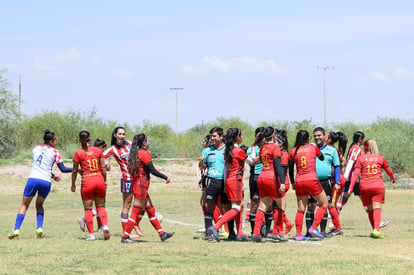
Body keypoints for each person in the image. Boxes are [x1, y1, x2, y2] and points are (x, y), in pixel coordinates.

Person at [8, 129, 73, 239]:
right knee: (39, 205)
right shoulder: (55, 152)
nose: (56, 142)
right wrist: (76, 169)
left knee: (24, 205)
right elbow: (63, 169)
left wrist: (52, 175)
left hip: (33, 179)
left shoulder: (35, 149)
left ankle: (16, 229)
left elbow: (39, 165)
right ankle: (39, 228)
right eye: (55, 140)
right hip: (46, 182)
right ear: (51, 141)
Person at [121, 134, 175, 243]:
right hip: (141, 186)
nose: (149, 143)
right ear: (144, 143)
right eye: (148, 141)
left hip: (138, 184)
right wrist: (165, 177)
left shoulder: (134, 153)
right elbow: (153, 171)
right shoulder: (144, 154)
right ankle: (125, 236)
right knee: (135, 212)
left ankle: (162, 234)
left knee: (150, 210)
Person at [207, 128, 255, 242]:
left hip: (228, 180)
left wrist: (225, 183)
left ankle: (239, 233)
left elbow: (225, 168)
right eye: (241, 135)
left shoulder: (228, 150)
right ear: (237, 137)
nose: (242, 137)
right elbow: (252, 162)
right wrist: (254, 150)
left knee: (238, 206)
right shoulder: (238, 150)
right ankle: (215, 227)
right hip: (235, 181)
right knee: (236, 208)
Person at [347, 139, 395, 238]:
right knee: (377, 207)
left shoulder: (361, 159)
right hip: (378, 186)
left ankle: (374, 229)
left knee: (370, 209)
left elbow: (355, 173)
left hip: (364, 186)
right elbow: (389, 171)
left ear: (364, 148)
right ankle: (376, 230)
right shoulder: (380, 158)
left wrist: (351, 187)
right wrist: (392, 178)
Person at [288, 130, 327, 241]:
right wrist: (315, 147)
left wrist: (293, 182)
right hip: (311, 179)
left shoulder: (293, 151)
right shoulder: (312, 148)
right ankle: (314, 228)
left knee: (301, 209)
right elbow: (322, 157)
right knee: (324, 203)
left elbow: (290, 168)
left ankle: (299, 235)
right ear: (308, 139)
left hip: (299, 180)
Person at [71, 130, 110, 241]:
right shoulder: (97, 150)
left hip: (87, 181)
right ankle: (105, 226)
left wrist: (73, 184)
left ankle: (91, 235)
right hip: (99, 179)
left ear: (79, 140)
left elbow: (74, 171)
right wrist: (104, 180)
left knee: (88, 209)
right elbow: (103, 168)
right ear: (90, 139)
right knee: (100, 206)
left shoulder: (78, 153)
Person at [251, 127, 288, 243]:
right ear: (274, 136)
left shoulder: (262, 148)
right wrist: (282, 182)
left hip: (261, 177)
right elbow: (278, 166)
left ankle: (256, 233)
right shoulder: (275, 148)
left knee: (263, 206)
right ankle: (277, 232)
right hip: (270, 177)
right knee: (282, 205)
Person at [103, 127, 141, 237]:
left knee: (141, 203)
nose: (122, 136)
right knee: (127, 205)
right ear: (115, 135)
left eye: (123, 134)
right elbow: (102, 156)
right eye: (119, 134)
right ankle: (126, 232)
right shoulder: (113, 149)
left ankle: (134, 225)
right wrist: (106, 165)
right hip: (127, 179)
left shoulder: (129, 143)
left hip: (137, 178)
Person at [305, 127, 343, 237]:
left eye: (319, 135)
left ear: (324, 136)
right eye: (315, 135)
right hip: (312, 181)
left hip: (326, 182)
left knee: (326, 205)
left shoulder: (332, 150)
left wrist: (337, 182)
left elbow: (336, 166)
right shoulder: (310, 148)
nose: (317, 137)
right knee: (311, 206)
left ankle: (322, 231)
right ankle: (309, 232)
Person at [199, 127, 233, 241]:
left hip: (225, 182)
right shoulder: (207, 151)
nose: (212, 138)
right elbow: (202, 167)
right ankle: (208, 233)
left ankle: (231, 233)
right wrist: (200, 162)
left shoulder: (228, 149)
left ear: (221, 136)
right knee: (210, 207)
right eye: (211, 136)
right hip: (212, 181)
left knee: (227, 209)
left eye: (214, 136)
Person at [336, 131, 365, 214]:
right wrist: (345, 176)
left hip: (350, 177)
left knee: (345, 197)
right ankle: (375, 220)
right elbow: (351, 163)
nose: (364, 141)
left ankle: (334, 219)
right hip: (354, 178)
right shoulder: (356, 149)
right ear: (360, 139)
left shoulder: (352, 147)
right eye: (363, 139)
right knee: (365, 199)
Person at [274, 129, 294, 236]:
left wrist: (280, 183)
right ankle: (286, 223)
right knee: (274, 206)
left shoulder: (283, 154)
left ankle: (280, 229)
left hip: (281, 182)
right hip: (280, 182)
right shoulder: (282, 152)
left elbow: (281, 170)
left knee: (277, 207)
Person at [246, 127, 264, 235]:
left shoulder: (268, 147)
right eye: (259, 136)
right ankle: (254, 230)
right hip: (255, 177)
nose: (262, 138)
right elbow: (251, 162)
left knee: (268, 203)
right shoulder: (251, 149)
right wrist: (254, 152)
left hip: (267, 177)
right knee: (255, 203)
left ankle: (265, 230)